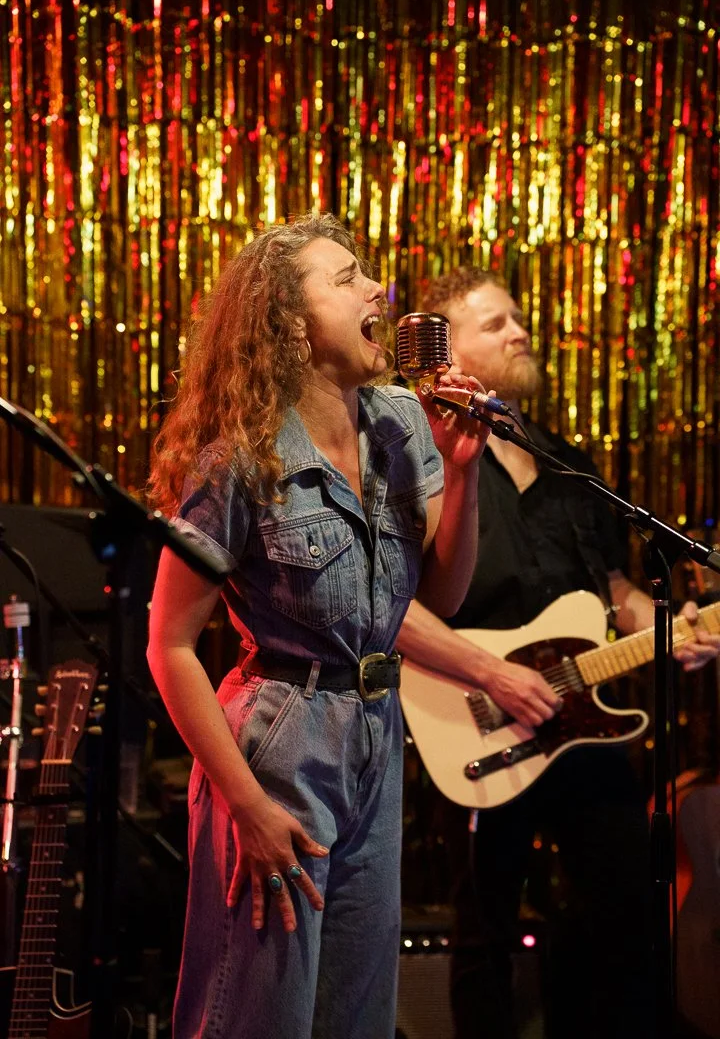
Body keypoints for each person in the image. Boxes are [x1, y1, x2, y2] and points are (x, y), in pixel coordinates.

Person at [145, 215, 491, 1039]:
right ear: (291, 328)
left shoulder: (405, 425)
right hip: (280, 746)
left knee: (356, 1015)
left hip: (377, 734)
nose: (381, 290)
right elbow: (170, 646)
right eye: (347, 279)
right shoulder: (240, 460)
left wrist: (466, 474)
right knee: (256, 1013)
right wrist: (246, 807)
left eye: (370, 273)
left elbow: (445, 588)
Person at [395, 268, 720, 1039]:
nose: (520, 333)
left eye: (519, 317)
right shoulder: (415, 456)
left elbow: (611, 590)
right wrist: (491, 673)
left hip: (583, 722)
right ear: (451, 352)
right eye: (496, 323)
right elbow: (384, 609)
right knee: (485, 931)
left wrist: (677, 629)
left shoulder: (566, 460)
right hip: (471, 719)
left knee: (627, 914)